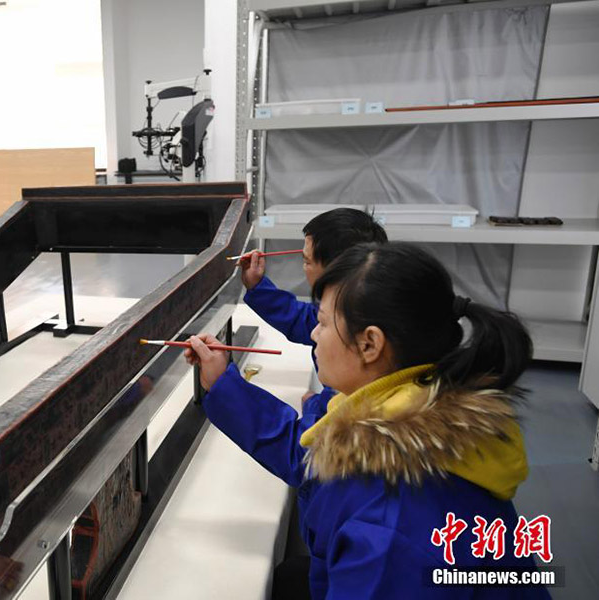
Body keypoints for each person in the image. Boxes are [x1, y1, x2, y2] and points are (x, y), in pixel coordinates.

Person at [186, 242, 549, 599]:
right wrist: (224, 383)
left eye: (322, 323)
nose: (313, 334)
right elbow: (311, 455)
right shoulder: (417, 404)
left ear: (370, 344)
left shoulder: (387, 531)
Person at [238, 208, 387, 415]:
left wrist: (314, 406)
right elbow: (307, 320)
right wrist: (258, 288)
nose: (315, 333)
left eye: (307, 261)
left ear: (335, 269)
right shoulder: (365, 306)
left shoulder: (356, 344)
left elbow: (322, 426)